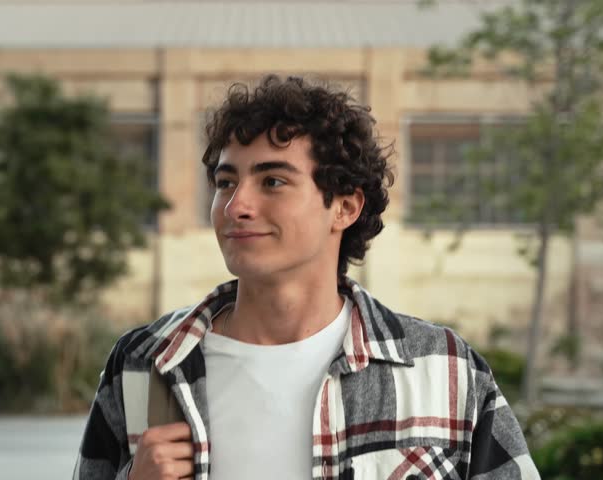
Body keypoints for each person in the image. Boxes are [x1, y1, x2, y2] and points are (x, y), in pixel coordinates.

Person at [73, 75, 538, 480]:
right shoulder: (142, 363)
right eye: (225, 183)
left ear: (344, 207)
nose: (237, 207)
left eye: (272, 181)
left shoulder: (445, 370)